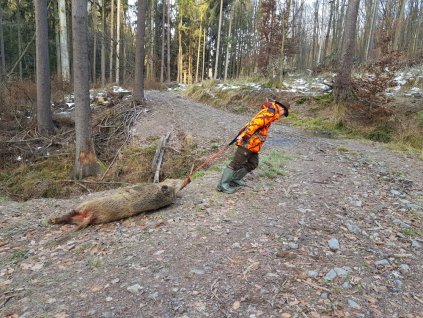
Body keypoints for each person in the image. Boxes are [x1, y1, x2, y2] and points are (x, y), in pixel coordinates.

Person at [217, 99, 290, 194]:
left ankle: (234, 179)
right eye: (284, 112)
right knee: (235, 163)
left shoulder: (271, 112)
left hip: (254, 144)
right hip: (248, 142)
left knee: (253, 163)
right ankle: (222, 185)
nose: (282, 115)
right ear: (281, 108)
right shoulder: (270, 112)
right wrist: (245, 137)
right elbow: (254, 124)